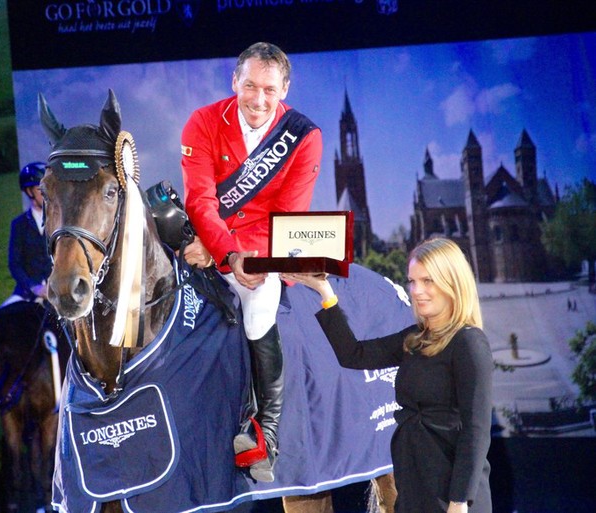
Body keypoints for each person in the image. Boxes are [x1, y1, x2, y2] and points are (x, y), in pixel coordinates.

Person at [180, 42, 322, 482]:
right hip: (209, 244)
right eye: (250, 86)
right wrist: (222, 249)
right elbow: (200, 200)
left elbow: (288, 220)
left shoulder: (304, 136)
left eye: (269, 90)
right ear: (235, 83)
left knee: (259, 307)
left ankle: (267, 434)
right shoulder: (202, 122)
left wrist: (237, 253)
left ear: (285, 90)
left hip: (260, 253)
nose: (258, 99)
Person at [282, 238, 493, 513]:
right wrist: (323, 290)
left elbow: (476, 432)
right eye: (412, 281)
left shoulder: (469, 342)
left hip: (452, 492)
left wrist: (459, 501)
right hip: (414, 485)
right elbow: (353, 355)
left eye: (428, 281)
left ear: (453, 283)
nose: (417, 291)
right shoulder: (415, 339)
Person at [2, 161, 53, 306]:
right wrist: (34, 287)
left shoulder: (61, 221)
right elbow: (14, 264)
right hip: (30, 292)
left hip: (57, 290)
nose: (46, 193)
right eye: (41, 189)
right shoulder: (19, 225)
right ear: (29, 192)